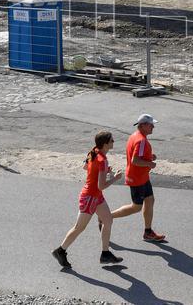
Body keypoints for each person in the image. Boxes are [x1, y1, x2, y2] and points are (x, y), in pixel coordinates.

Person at [51, 131, 124, 269]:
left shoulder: (94, 151)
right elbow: (101, 185)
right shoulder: (102, 159)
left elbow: (86, 167)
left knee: (108, 220)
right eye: (111, 140)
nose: (114, 141)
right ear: (105, 144)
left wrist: (102, 171)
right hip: (90, 197)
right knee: (79, 227)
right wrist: (115, 178)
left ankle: (105, 253)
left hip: (96, 196)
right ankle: (60, 250)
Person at [110, 114, 166, 242]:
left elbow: (137, 154)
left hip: (142, 177)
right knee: (136, 207)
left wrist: (149, 156)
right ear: (143, 125)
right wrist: (150, 163)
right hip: (137, 179)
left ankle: (148, 232)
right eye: (151, 124)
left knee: (150, 200)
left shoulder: (135, 136)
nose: (153, 126)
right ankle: (107, 217)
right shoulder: (141, 140)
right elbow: (135, 160)